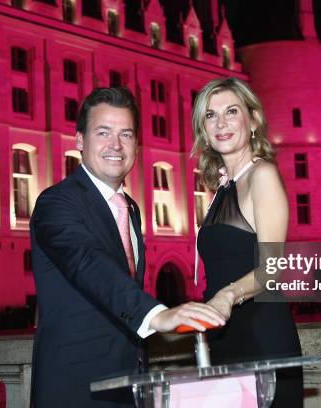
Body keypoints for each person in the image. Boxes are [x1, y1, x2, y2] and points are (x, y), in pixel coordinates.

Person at [30, 87, 225, 408]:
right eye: (103, 132)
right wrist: (156, 315)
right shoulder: (57, 201)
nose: (116, 145)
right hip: (76, 387)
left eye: (126, 134)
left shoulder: (130, 209)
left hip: (128, 384)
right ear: (80, 141)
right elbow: (86, 262)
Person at [192, 77, 304, 407]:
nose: (221, 123)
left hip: (261, 337)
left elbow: (272, 268)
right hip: (223, 336)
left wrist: (227, 295)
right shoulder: (223, 188)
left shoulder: (262, 175)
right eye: (210, 115)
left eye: (231, 111)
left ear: (252, 120)